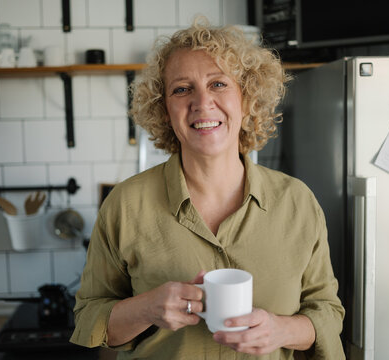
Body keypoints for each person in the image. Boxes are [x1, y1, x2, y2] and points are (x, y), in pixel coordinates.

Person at [70, 18, 345, 360]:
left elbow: (327, 312)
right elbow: (88, 318)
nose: (202, 102)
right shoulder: (124, 205)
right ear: (164, 108)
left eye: (218, 84)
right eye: (182, 88)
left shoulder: (297, 202)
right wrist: (145, 309)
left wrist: (282, 329)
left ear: (246, 98)